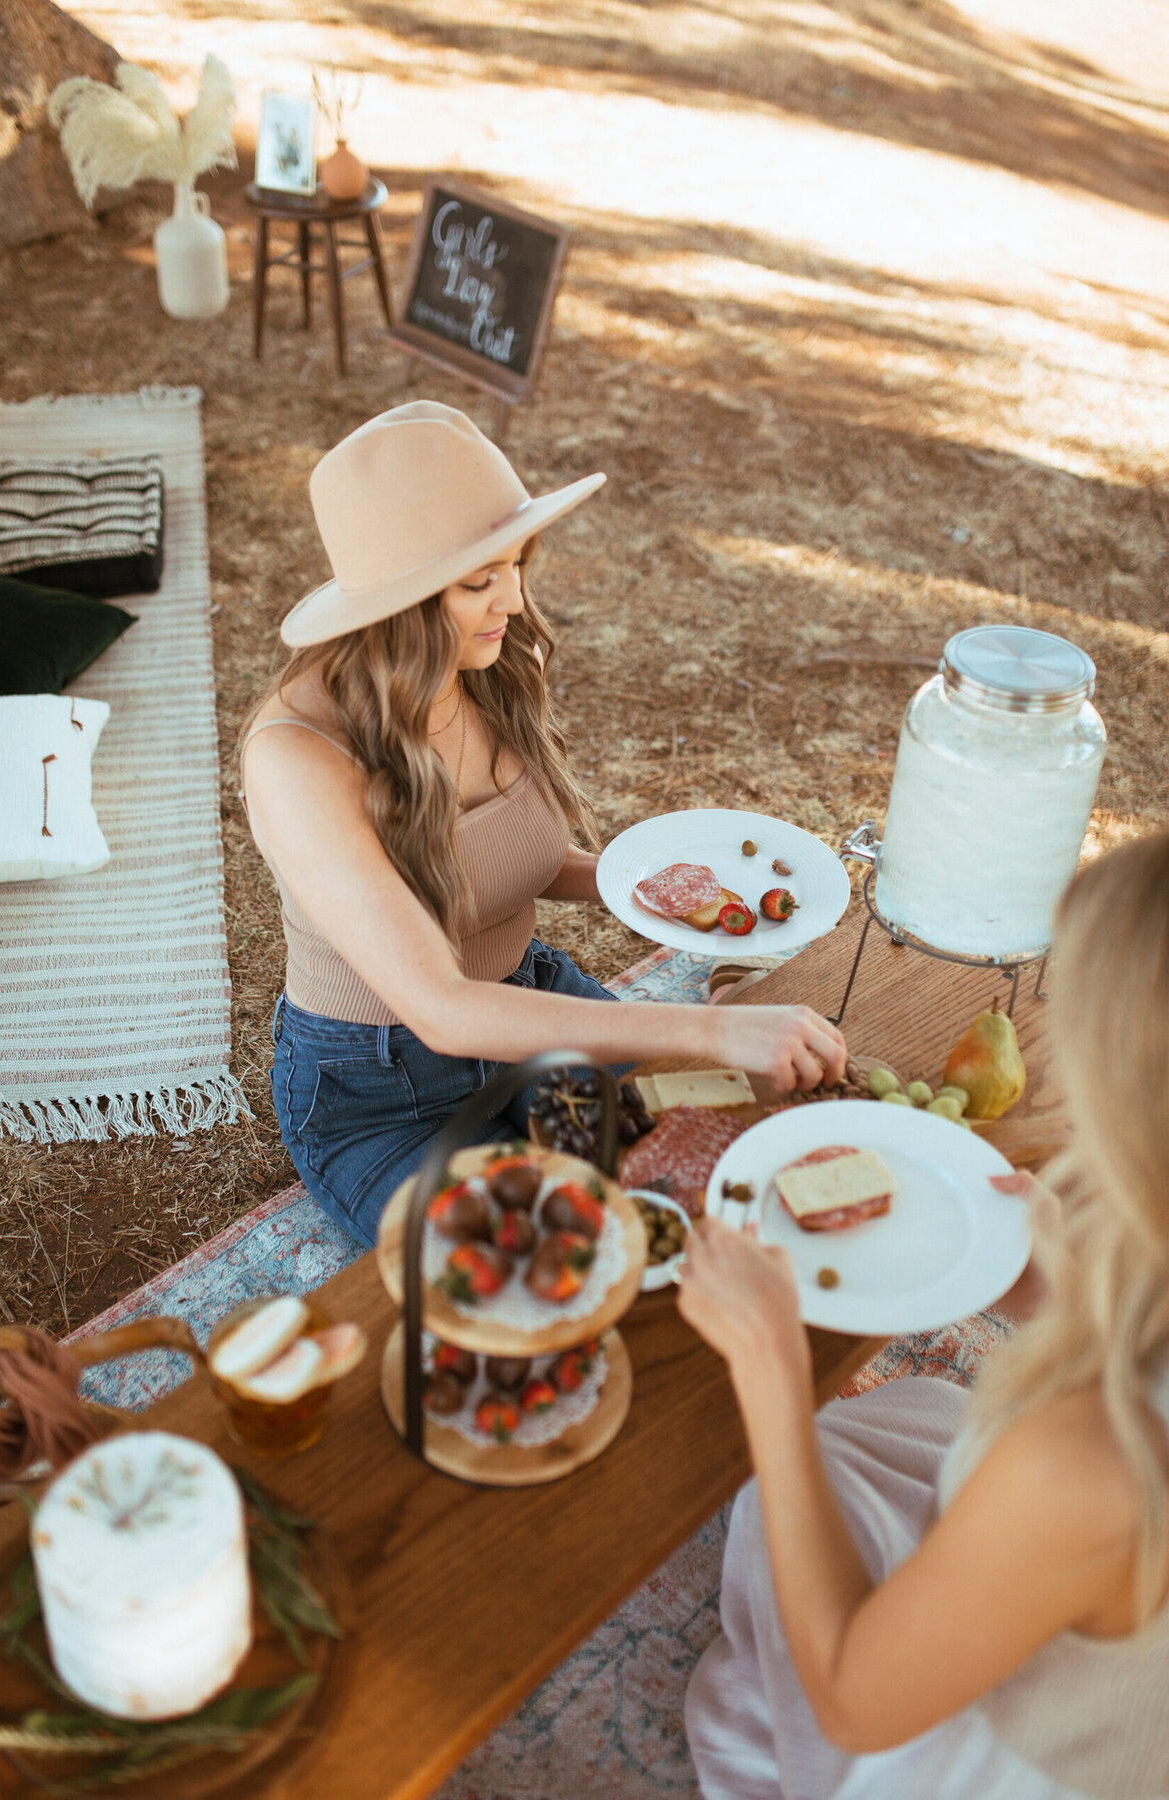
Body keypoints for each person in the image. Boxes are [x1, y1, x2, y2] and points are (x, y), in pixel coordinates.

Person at [242, 401, 847, 1246]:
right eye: (480, 580)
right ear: (399, 604)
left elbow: (501, 856)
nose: (515, 599)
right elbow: (442, 1009)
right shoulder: (297, 758)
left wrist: (653, 886)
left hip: (529, 1005)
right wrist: (714, 1027)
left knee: (710, 1177)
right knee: (543, 1258)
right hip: (379, 1092)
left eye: (516, 563)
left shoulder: (482, 660)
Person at [678, 829, 1169, 1800]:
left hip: (1005, 1760)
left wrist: (771, 1366)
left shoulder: (1081, 1464)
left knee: (780, 1518)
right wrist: (1058, 1299)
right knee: (887, 1432)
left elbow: (852, 1700)